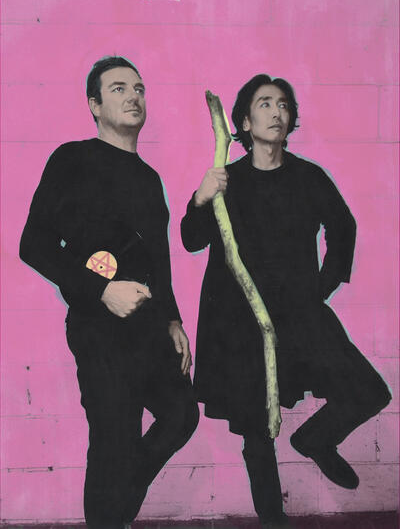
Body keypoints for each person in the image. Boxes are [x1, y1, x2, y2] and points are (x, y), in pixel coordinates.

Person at [181, 74, 391, 529]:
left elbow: (343, 227)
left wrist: (321, 288)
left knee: (369, 391)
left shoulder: (308, 177)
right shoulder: (227, 180)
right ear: (243, 121)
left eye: (283, 104)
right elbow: (191, 240)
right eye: (265, 103)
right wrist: (201, 196)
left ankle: (316, 439)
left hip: (299, 313)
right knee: (257, 431)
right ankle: (273, 521)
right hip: (239, 323)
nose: (277, 112)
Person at [20, 56, 199, 529]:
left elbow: (158, 259)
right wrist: (102, 291)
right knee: (113, 442)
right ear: (94, 105)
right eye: (118, 88)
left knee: (181, 415)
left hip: (150, 328)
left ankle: (112, 510)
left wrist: (173, 319)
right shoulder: (72, 159)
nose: (133, 96)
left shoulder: (149, 178)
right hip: (99, 329)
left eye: (138, 88)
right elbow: (32, 244)